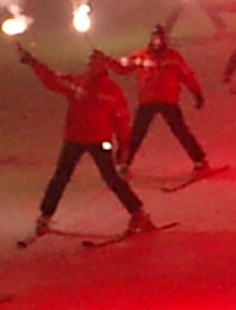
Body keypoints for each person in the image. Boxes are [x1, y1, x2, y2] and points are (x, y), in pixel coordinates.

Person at [18, 45, 156, 236]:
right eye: (90, 63)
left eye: (95, 64)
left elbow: (121, 119)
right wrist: (33, 62)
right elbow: (52, 79)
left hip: (100, 140)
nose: (91, 67)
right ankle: (45, 216)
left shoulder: (112, 92)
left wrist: (124, 145)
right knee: (60, 177)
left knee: (111, 177)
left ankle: (138, 214)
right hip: (74, 139)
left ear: (103, 67)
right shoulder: (78, 83)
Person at [111, 24, 210, 175]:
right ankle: (124, 162)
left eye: (160, 38)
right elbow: (122, 67)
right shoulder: (141, 56)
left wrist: (196, 93)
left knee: (181, 131)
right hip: (148, 101)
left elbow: (186, 75)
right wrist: (106, 61)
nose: (157, 41)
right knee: (137, 133)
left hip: (168, 100)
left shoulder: (173, 57)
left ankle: (199, 159)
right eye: (155, 38)